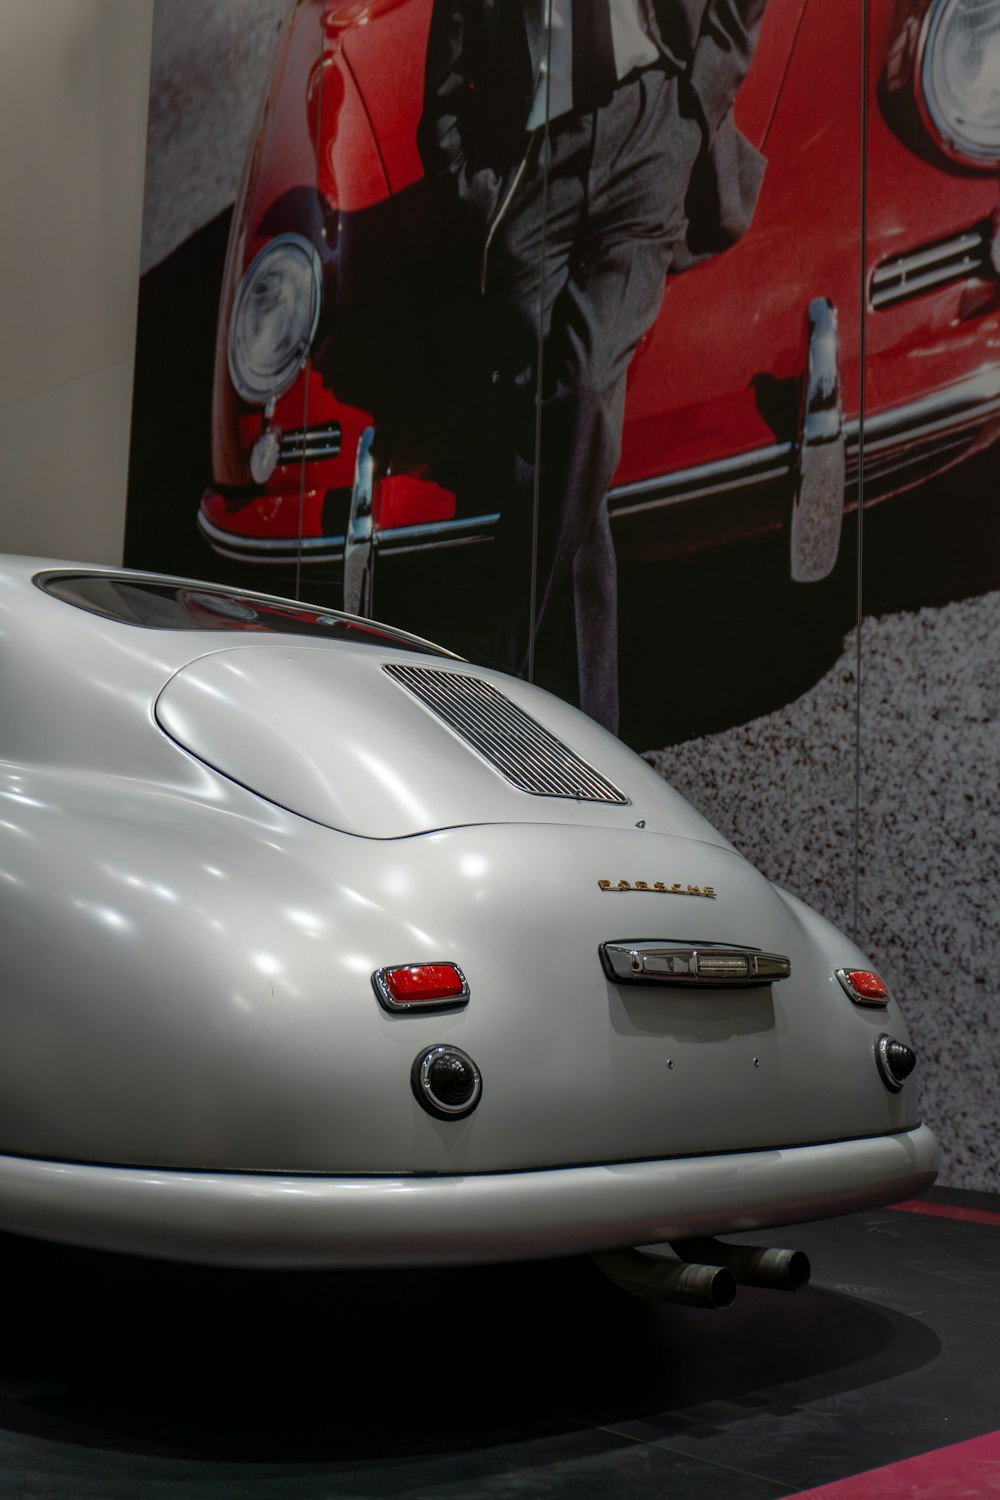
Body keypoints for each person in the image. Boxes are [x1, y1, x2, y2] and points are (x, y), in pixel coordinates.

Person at [418, 0, 769, 733]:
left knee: (578, 389)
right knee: (559, 437)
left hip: (650, 133)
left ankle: (499, 660)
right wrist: (480, 204)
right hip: (532, 173)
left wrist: (695, 100)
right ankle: (591, 742)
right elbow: (442, 104)